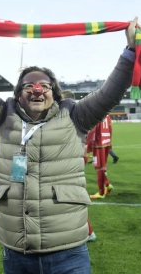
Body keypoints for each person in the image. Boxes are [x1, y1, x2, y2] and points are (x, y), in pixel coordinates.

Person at [0, 15, 140, 273]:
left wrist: (130, 51)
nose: (37, 90)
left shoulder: (75, 116)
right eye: (29, 86)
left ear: (54, 92)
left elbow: (110, 93)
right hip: (16, 250)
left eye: (44, 86)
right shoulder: (2, 116)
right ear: (18, 94)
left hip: (68, 249)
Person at [61, 89, 96, 242]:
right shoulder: (80, 113)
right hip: (77, 156)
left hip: (71, 159)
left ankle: (89, 232)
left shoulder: (69, 114)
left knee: (70, 197)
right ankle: (86, 231)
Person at [90, 114, 114, 199]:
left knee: (98, 167)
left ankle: (101, 193)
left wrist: (87, 145)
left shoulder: (96, 113)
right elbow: (110, 128)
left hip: (98, 143)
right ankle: (107, 184)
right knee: (102, 166)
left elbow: (92, 130)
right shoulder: (107, 114)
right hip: (106, 142)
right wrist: (110, 142)